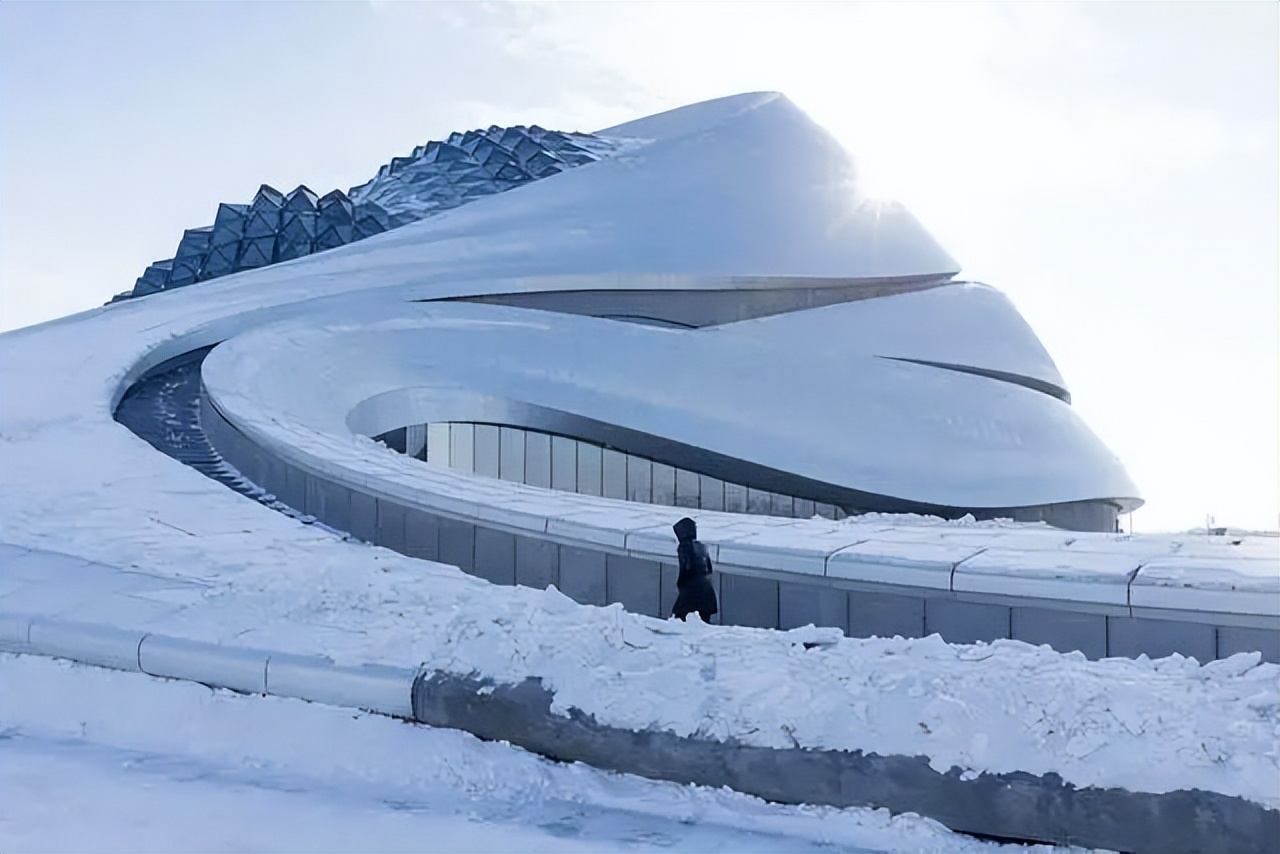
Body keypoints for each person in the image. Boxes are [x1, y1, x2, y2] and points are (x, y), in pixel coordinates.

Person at [671, 516, 717, 623]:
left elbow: (685, 569)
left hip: (690, 592)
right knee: (704, 623)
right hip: (707, 592)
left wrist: (681, 585)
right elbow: (709, 569)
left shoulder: (684, 547)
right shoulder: (702, 546)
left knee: (678, 619)